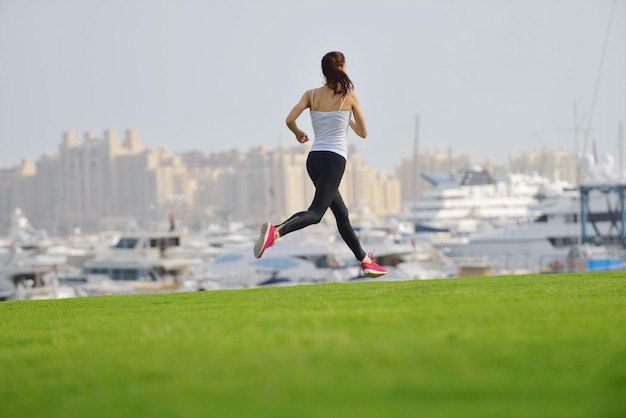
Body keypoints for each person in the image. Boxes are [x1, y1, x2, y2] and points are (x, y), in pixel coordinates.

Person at [253, 51, 386, 278]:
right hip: (334, 160)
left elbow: (289, 120)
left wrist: (298, 133)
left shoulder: (311, 95)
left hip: (314, 159)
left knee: (341, 214)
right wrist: (346, 117)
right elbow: (363, 133)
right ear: (341, 68)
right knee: (316, 214)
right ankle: (275, 232)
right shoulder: (349, 96)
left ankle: (365, 261)